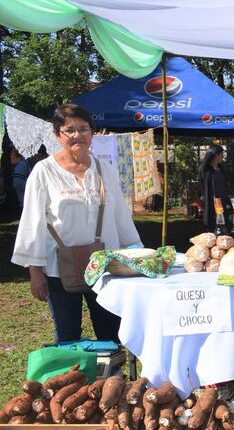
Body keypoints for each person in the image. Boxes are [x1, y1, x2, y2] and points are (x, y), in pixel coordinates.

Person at [12, 104, 141, 342]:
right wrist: (35, 272)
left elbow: (120, 217)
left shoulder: (106, 170)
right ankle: (75, 379)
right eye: (69, 130)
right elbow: (32, 221)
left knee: (110, 330)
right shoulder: (43, 171)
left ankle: (111, 378)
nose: (77, 135)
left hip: (105, 267)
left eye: (83, 129)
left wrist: (138, 256)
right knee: (67, 333)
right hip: (58, 269)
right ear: (57, 134)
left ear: (92, 133)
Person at [199, 145, 229, 232]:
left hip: (222, 201)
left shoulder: (221, 169)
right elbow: (204, 187)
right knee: (213, 225)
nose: (222, 157)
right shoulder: (206, 171)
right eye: (221, 155)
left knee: (223, 224)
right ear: (216, 155)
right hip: (212, 202)